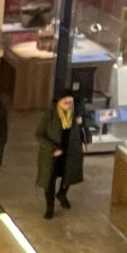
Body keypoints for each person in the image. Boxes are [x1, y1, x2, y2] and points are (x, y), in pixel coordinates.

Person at [35, 91, 85, 220]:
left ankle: (62, 194)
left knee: (69, 176)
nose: (68, 106)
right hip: (52, 154)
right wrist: (52, 148)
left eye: (70, 103)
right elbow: (39, 134)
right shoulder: (50, 115)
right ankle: (49, 208)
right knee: (49, 181)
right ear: (59, 102)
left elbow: (85, 127)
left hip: (69, 152)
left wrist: (81, 124)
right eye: (65, 103)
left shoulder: (76, 114)